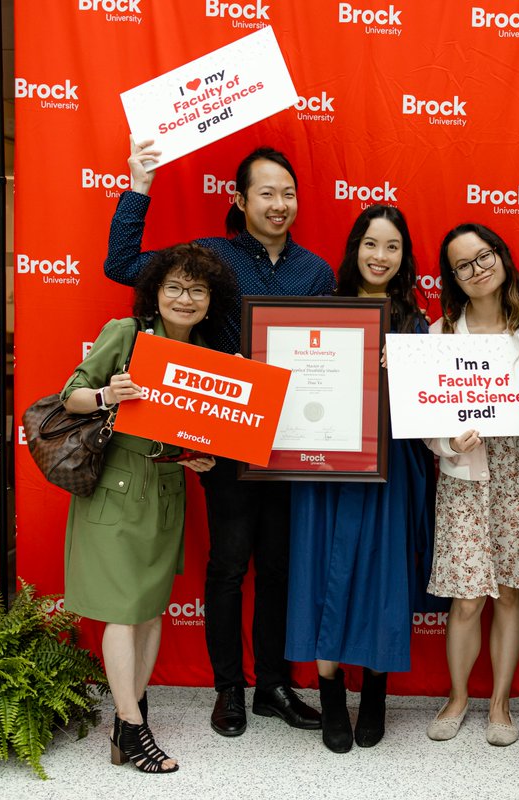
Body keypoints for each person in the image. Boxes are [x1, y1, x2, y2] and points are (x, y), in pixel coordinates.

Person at [104, 139, 334, 737]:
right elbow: (122, 265)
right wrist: (140, 187)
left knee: (280, 568)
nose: (279, 203)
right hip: (225, 440)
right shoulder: (209, 256)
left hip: (296, 441)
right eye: (267, 193)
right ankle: (228, 690)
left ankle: (274, 686)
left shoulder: (317, 271)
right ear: (240, 198)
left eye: (288, 193)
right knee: (229, 566)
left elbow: (333, 357)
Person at [61, 242, 234, 773]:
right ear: (155, 294)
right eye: (175, 288)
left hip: (164, 488)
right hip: (116, 488)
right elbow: (70, 396)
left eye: (197, 290)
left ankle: (124, 723)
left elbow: (190, 432)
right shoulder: (128, 333)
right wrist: (108, 395)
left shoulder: (205, 355)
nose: (185, 298)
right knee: (121, 611)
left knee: (151, 611)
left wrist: (198, 458)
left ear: (210, 301)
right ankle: (135, 729)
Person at [285, 205, 435, 753]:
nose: (380, 256)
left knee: (380, 579)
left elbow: (428, 410)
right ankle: (330, 695)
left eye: (392, 246)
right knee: (323, 573)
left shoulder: (416, 324)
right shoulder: (321, 312)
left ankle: (375, 693)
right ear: (355, 250)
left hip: (389, 467)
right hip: (325, 467)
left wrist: (407, 376)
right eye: (371, 244)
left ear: (404, 257)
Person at [423, 223, 519, 747]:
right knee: (465, 599)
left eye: (484, 257)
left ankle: (500, 703)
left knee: (507, 593)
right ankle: (459, 697)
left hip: (515, 475)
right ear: (453, 277)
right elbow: (426, 418)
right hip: (463, 477)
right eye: (464, 265)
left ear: (501, 258)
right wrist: (446, 445)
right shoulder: (440, 334)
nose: (477, 270)